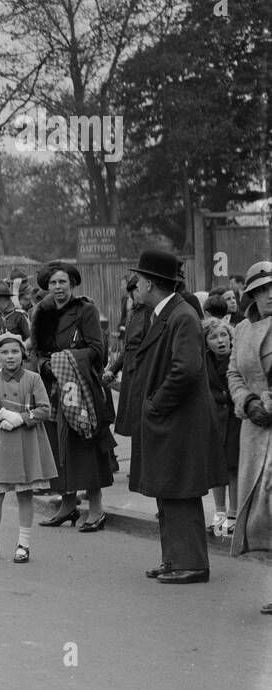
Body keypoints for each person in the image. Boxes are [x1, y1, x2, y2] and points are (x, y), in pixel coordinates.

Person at [121, 249, 226, 584]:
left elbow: (186, 370)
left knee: (180, 490)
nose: (135, 285)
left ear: (151, 283)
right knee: (168, 490)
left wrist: (155, 405)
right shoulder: (169, 313)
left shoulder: (181, 316)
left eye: (138, 280)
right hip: (172, 420)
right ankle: (175, 559)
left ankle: (191, 563)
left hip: (179, 420)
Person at [31, 261, 116, 530]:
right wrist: (46, 365)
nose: (58, 288)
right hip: (53, 389)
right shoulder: (42, 314)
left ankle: (96, 509)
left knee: (85, 445)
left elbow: (97, 350)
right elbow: (36, 352)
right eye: (53, 283)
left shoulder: (86, 310)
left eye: (63, 282)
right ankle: (67, 507)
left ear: (72, 284)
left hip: (82, 388)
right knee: (58, 447)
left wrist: (66, 360)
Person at [0, 334, 58, 563]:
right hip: (1, 444)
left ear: (23, 354)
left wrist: (21, 418)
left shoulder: (33, 379)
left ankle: (24, 544)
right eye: (4, 352)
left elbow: (44, 409)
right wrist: (0, 414)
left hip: (27, 442)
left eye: (15, 352)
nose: (10, 357)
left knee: (25, 494)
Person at [223, 261, 272, 611]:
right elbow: (233, 372)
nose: (270, 295)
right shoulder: (242, 329)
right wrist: (247, 401)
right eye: (262, 289)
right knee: (262, 511)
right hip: (255, 430)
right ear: (251, 294)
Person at [201, 317, 240, 537]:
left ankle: (233, 516)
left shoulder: (236, 357)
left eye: (224, 335)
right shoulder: (203, 361)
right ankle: (220, 515)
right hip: (214, 421)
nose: (220, 340)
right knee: (218, 468)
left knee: (233, 468)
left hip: (235, 420)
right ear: (206, 342)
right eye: (214, 337)